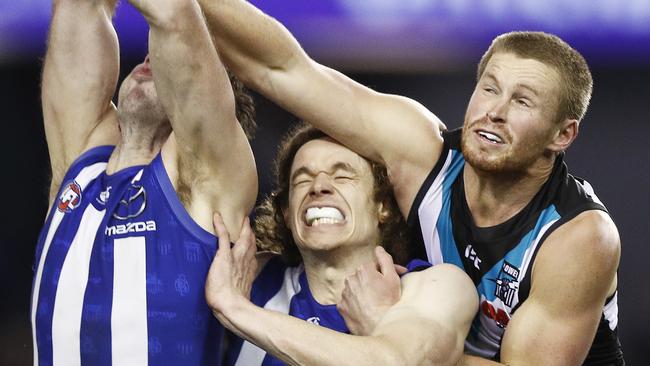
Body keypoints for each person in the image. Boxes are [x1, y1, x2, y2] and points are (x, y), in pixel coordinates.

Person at [195, 1, 623, 364]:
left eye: (522, 101)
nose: (494, 111)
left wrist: (392, 335)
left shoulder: (578, 237)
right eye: (489, 89)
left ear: (562, 135)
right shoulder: (423, 152)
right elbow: (282, 69)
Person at [30, 0, 256, 364]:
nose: (152, 56)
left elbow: (174, 15)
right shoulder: (80, 163)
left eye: (166, 58)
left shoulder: (203, 181)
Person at [205, 124, 478, 366]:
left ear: (382, 205)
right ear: (287, 213)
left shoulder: (437, 287)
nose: (319, 186)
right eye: (302, 179)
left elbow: (398, 361)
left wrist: (234, 309)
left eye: (342, 176)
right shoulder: (250, 276)